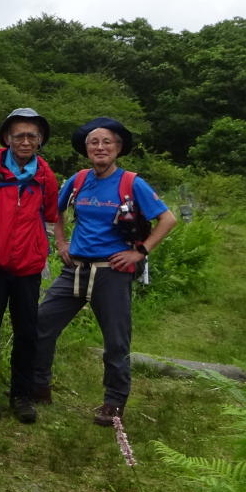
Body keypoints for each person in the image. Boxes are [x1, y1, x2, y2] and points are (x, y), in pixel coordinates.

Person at [32, 117, 178, 425]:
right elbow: (55, 211)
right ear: (86, 149)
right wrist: (61, 243)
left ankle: (114, 402)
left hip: (112, 270)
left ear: (118, 148)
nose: (100, 147)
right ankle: (39, 385)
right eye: (93, 143)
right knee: (42, 324)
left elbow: (168, 220)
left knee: (116, 339)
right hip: (76, 268)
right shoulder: (79, 180)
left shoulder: (132, 183)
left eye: (106, 142)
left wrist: (139, 252)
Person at [0, 108, 65, 424]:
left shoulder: (45, 177)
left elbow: (51, 216)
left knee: (27, 330)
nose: (25, 141)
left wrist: (49, 249)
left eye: (32, 136)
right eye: (19, 135)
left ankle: (21, 396)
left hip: (28, 266)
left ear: (40, 141)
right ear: (7, 138)